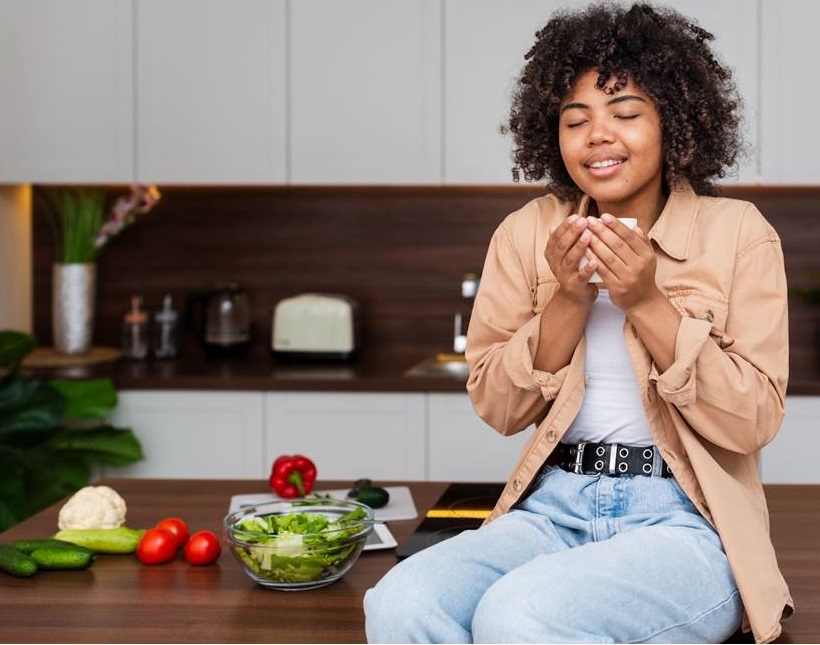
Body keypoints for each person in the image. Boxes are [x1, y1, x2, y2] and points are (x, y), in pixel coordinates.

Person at [364, 2, 793, 643]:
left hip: (685, 520)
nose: (598, 136)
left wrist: (647, 300)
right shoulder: (526, 232)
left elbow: (754, 418)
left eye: (625, 114)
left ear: (671, 123)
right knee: (400, 603)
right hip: (552, 506)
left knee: (518, 615)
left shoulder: (738, 235)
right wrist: (566, 300)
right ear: (552, 135)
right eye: (575, 120)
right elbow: (498, 406)